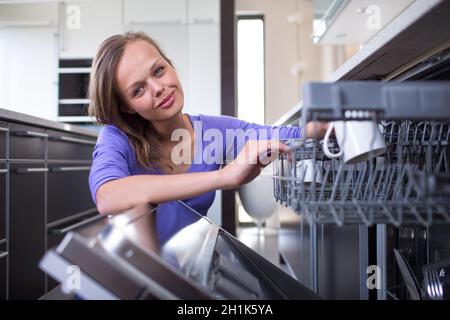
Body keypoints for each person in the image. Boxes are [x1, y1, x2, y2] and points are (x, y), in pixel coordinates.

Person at [88, 31, 327, 242]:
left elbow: (280, 135)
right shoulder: (116, 137)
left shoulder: (213, 132)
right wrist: (224, 177)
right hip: (120, 279)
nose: (157, 88)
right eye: (138, 90)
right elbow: (108, 197)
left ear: (171, 67)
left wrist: (320, 128)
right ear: (127, 107)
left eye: (159, 71)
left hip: (174, 270)